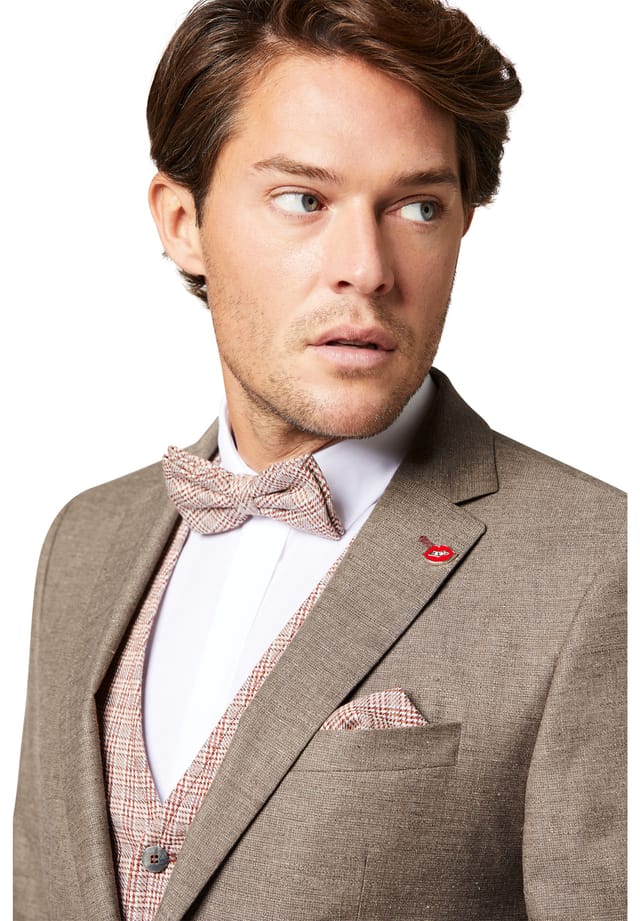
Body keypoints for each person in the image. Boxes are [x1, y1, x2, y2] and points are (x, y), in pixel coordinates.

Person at [13, 0, 626, 919]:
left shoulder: (599, 561)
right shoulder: (83, 541)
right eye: (304, 199)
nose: (368, 267)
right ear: (182, 222)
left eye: (417, 206)